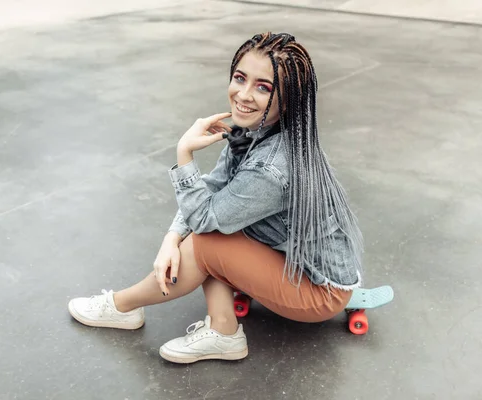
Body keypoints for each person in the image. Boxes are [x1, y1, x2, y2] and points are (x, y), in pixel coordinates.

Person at [67, 32, 364, 364]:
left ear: (289, 99)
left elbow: (204, 218)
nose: (244, 94)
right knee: (207, 229)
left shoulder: (271, 167)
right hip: (293, 262)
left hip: (318, 292)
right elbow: (211, 189)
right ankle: (223, 329)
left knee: (207, 239)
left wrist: (184, 155)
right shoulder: (255, 134)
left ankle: (122, 306)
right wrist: (171, 238)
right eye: (240, 78)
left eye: (264, 87)